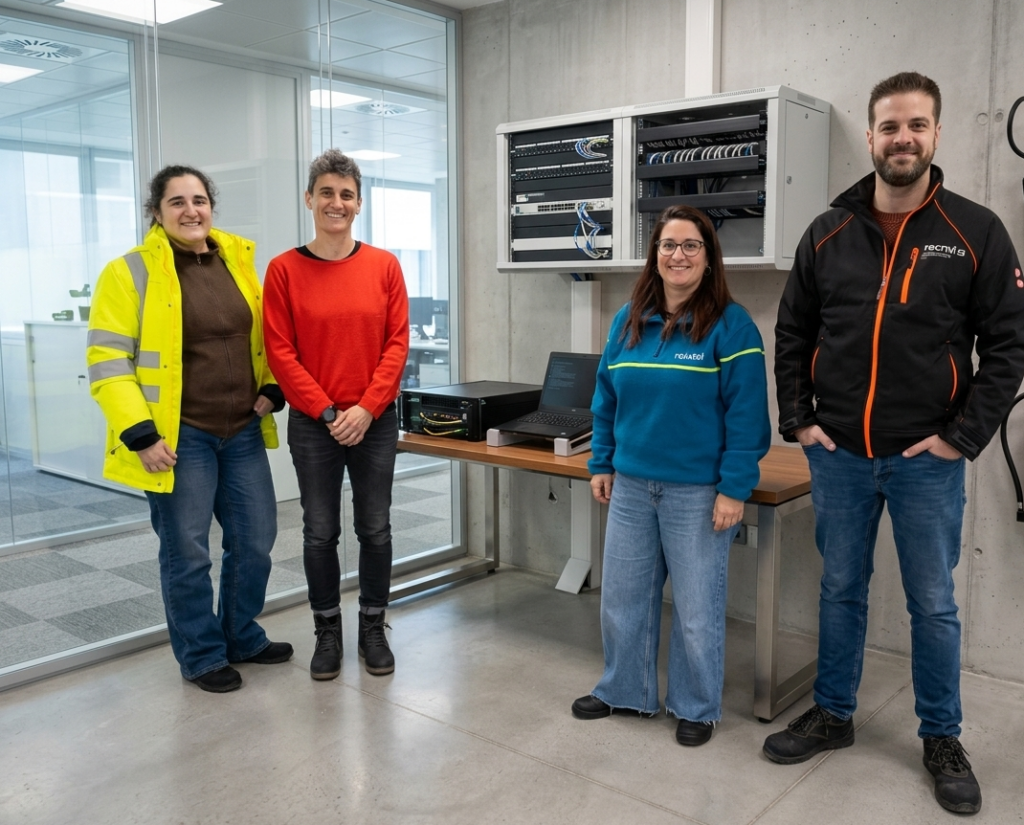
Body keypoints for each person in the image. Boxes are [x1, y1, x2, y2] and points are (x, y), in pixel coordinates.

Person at [770, 72, 1024, 815]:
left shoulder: (976, 231)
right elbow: (793, 332)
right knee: (840, 589)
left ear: (937, 133)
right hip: (840, 456)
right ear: (872, 137)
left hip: (925, 462)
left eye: (916, 125)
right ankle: (833, 713)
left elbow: (1008, 347)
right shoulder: (828, 231)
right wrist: (800, 420)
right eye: (889, 126)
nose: (902, 138)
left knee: (933, 603)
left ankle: (941, 736)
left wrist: (961, 438)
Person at [87, 165, 292, 693]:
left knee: (255, 541)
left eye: (199, 200)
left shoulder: (237, 260)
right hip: (179, 438)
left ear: (211, 206)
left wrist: (273, 387)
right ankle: (201, 655)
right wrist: (140, 433)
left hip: (242, 430)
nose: (190, 210)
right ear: (156, 212)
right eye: (176, 202)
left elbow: (264, 337)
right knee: (188, 552)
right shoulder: (129, 272)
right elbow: (107, 360)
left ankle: (241, 635)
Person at [571, 204, 770, 746]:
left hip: (697, 492)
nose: (677, 255)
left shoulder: (732, 325)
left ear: (708, 257)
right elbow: (605, 400)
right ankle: (624, 691)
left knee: (697, 609)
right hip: (632, 487)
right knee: (623, 600)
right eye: (668, 245)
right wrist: (602, 461)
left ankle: (696, 706)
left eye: (690, 246)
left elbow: (748, 415)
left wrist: (733, 488)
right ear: (654, 254)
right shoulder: (627, 320)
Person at [263, 149, 409, 681]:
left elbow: (397, 345)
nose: (336, 202)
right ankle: (327, 631)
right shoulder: (283, 270)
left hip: (375, 420)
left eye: (346, 194)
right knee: (320, 531)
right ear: (309, 199)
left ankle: (372, 627)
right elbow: (280, 352)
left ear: (359, 204)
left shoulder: (384, 266)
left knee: (375, 527)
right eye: (326, 192)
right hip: (313, 423)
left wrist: (366, 408)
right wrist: (328, 411)